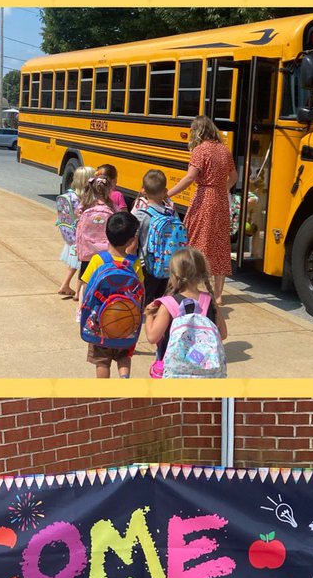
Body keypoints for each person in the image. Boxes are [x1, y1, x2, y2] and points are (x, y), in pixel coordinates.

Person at [167, 116, 237, 307]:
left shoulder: (200, 150)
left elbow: (190, 177)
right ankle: (219, 295)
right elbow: (234, 176)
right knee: (220, 244)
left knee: (198, 241)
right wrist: (223, 188)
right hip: (221, 199)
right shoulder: (224, 150)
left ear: (197, 131)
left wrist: (168, 194)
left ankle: (193, 288)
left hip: (204, 198)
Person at [144, 247, 227, 379]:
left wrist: (148, 315)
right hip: (203, 373)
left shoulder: (168, 304)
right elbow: (222, 334)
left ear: (174, 275)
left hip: (174, 372)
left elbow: (152, 337)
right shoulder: (210, 301)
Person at [79, 211, 143, 380]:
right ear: (131, 241)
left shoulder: (98, 260)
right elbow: (140, 290)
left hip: (101, 322)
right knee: (124, 355)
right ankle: (124, 378)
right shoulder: (134, 263)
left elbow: (87, 289)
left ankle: (104, 390)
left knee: (102, 361)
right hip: (126, 318)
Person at [133, 169, 188, 304]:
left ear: (143, 191)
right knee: (163, 301)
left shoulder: (141, 215)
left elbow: (133, 242)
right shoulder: (171, 214)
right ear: (165, 191)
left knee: (146, 301)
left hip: (148, 265)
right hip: (169, 265)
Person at [56, 165, 93, 300]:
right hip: (80, 236)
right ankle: (78, 292)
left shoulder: (70, 194)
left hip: (69, 234)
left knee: (74, 263)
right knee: (82, 264)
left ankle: (65, 285)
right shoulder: (83, 198)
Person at [74, 175, 115, 281]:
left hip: (87, 250)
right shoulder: (112, 207)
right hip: (106, 252)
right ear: (109, 190)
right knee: (102, 278)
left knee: (84, 279)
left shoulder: (85, 206)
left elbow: (77, 215)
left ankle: (80, 296)